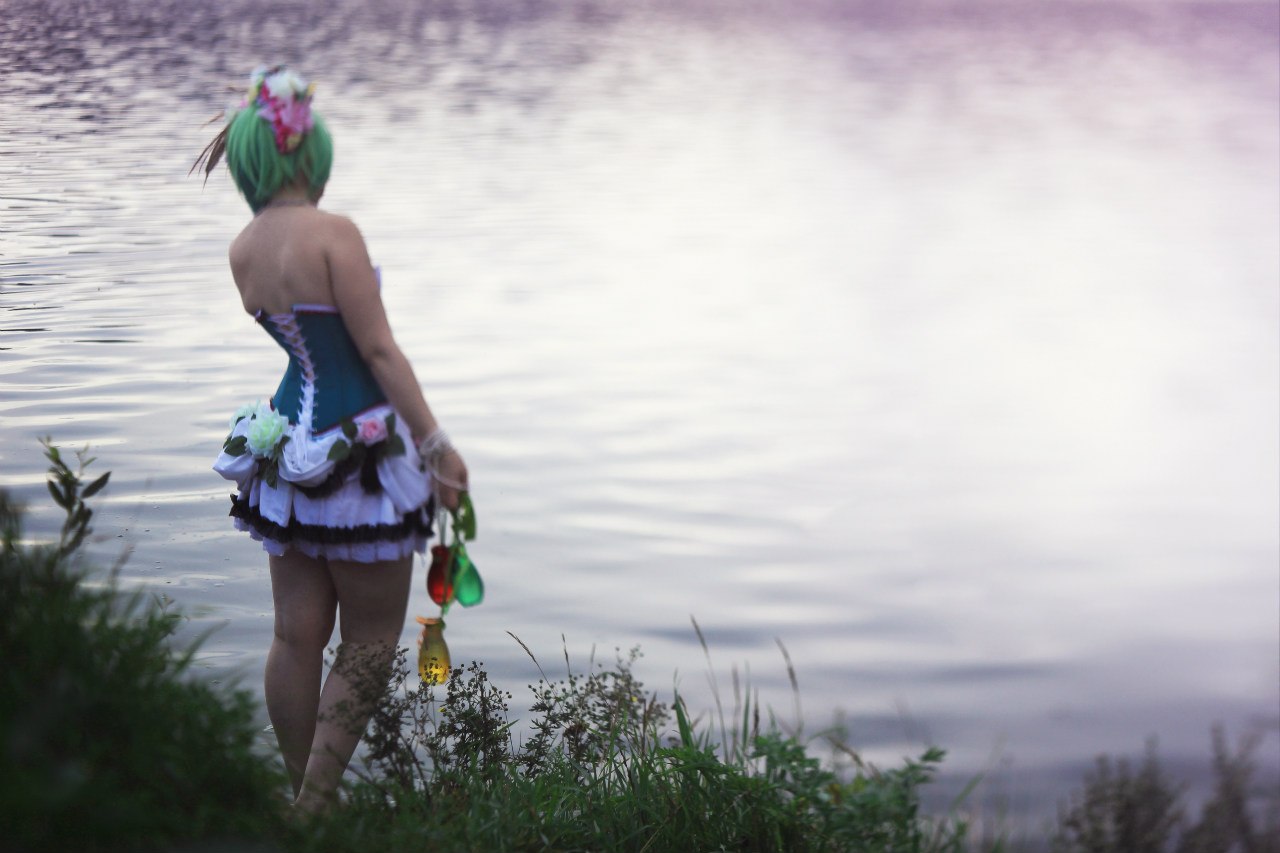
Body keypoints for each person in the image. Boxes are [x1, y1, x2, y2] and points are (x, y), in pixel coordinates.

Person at [198, 66, 467, 813]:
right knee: (371, 639)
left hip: (285, 456)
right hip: (362, 460)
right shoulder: (334, 234)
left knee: (294, 637)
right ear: (309, 151)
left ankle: (301, 796)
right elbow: (376, 350)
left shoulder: (243, 249)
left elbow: (305, 353)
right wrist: (437, 446)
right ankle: (317, 807)